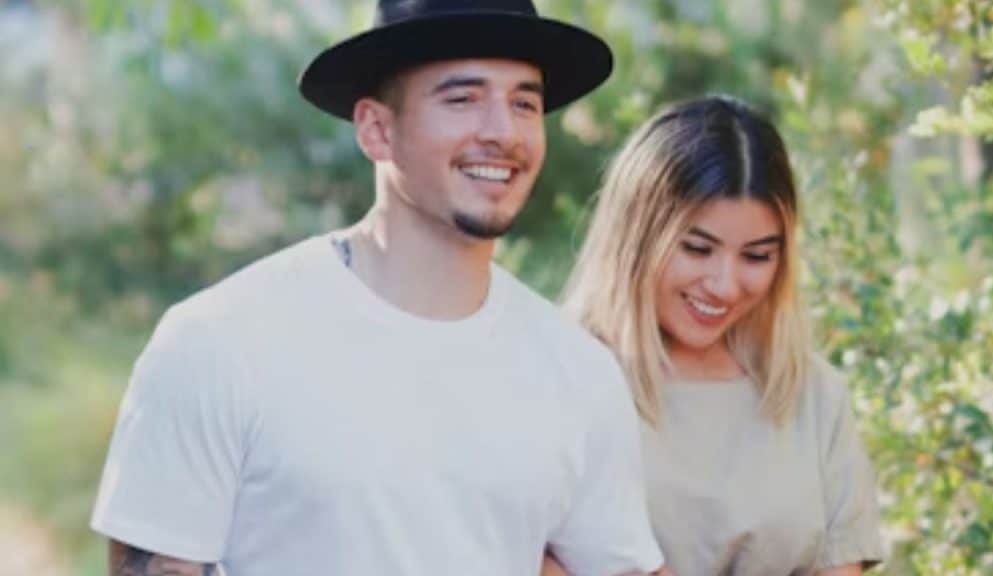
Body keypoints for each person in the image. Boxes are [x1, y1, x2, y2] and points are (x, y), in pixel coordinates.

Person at [90, 1, 666, 574]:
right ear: (376, 129)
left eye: (524, 102)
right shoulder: (220, 341)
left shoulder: (577, 371)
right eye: (462, 98)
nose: (503, 131)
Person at [550, 97, 885, 575]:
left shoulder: (813, 396)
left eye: (756, 256)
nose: (725, 285)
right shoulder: (560, 379)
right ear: (638, 235)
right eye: (697, 248)